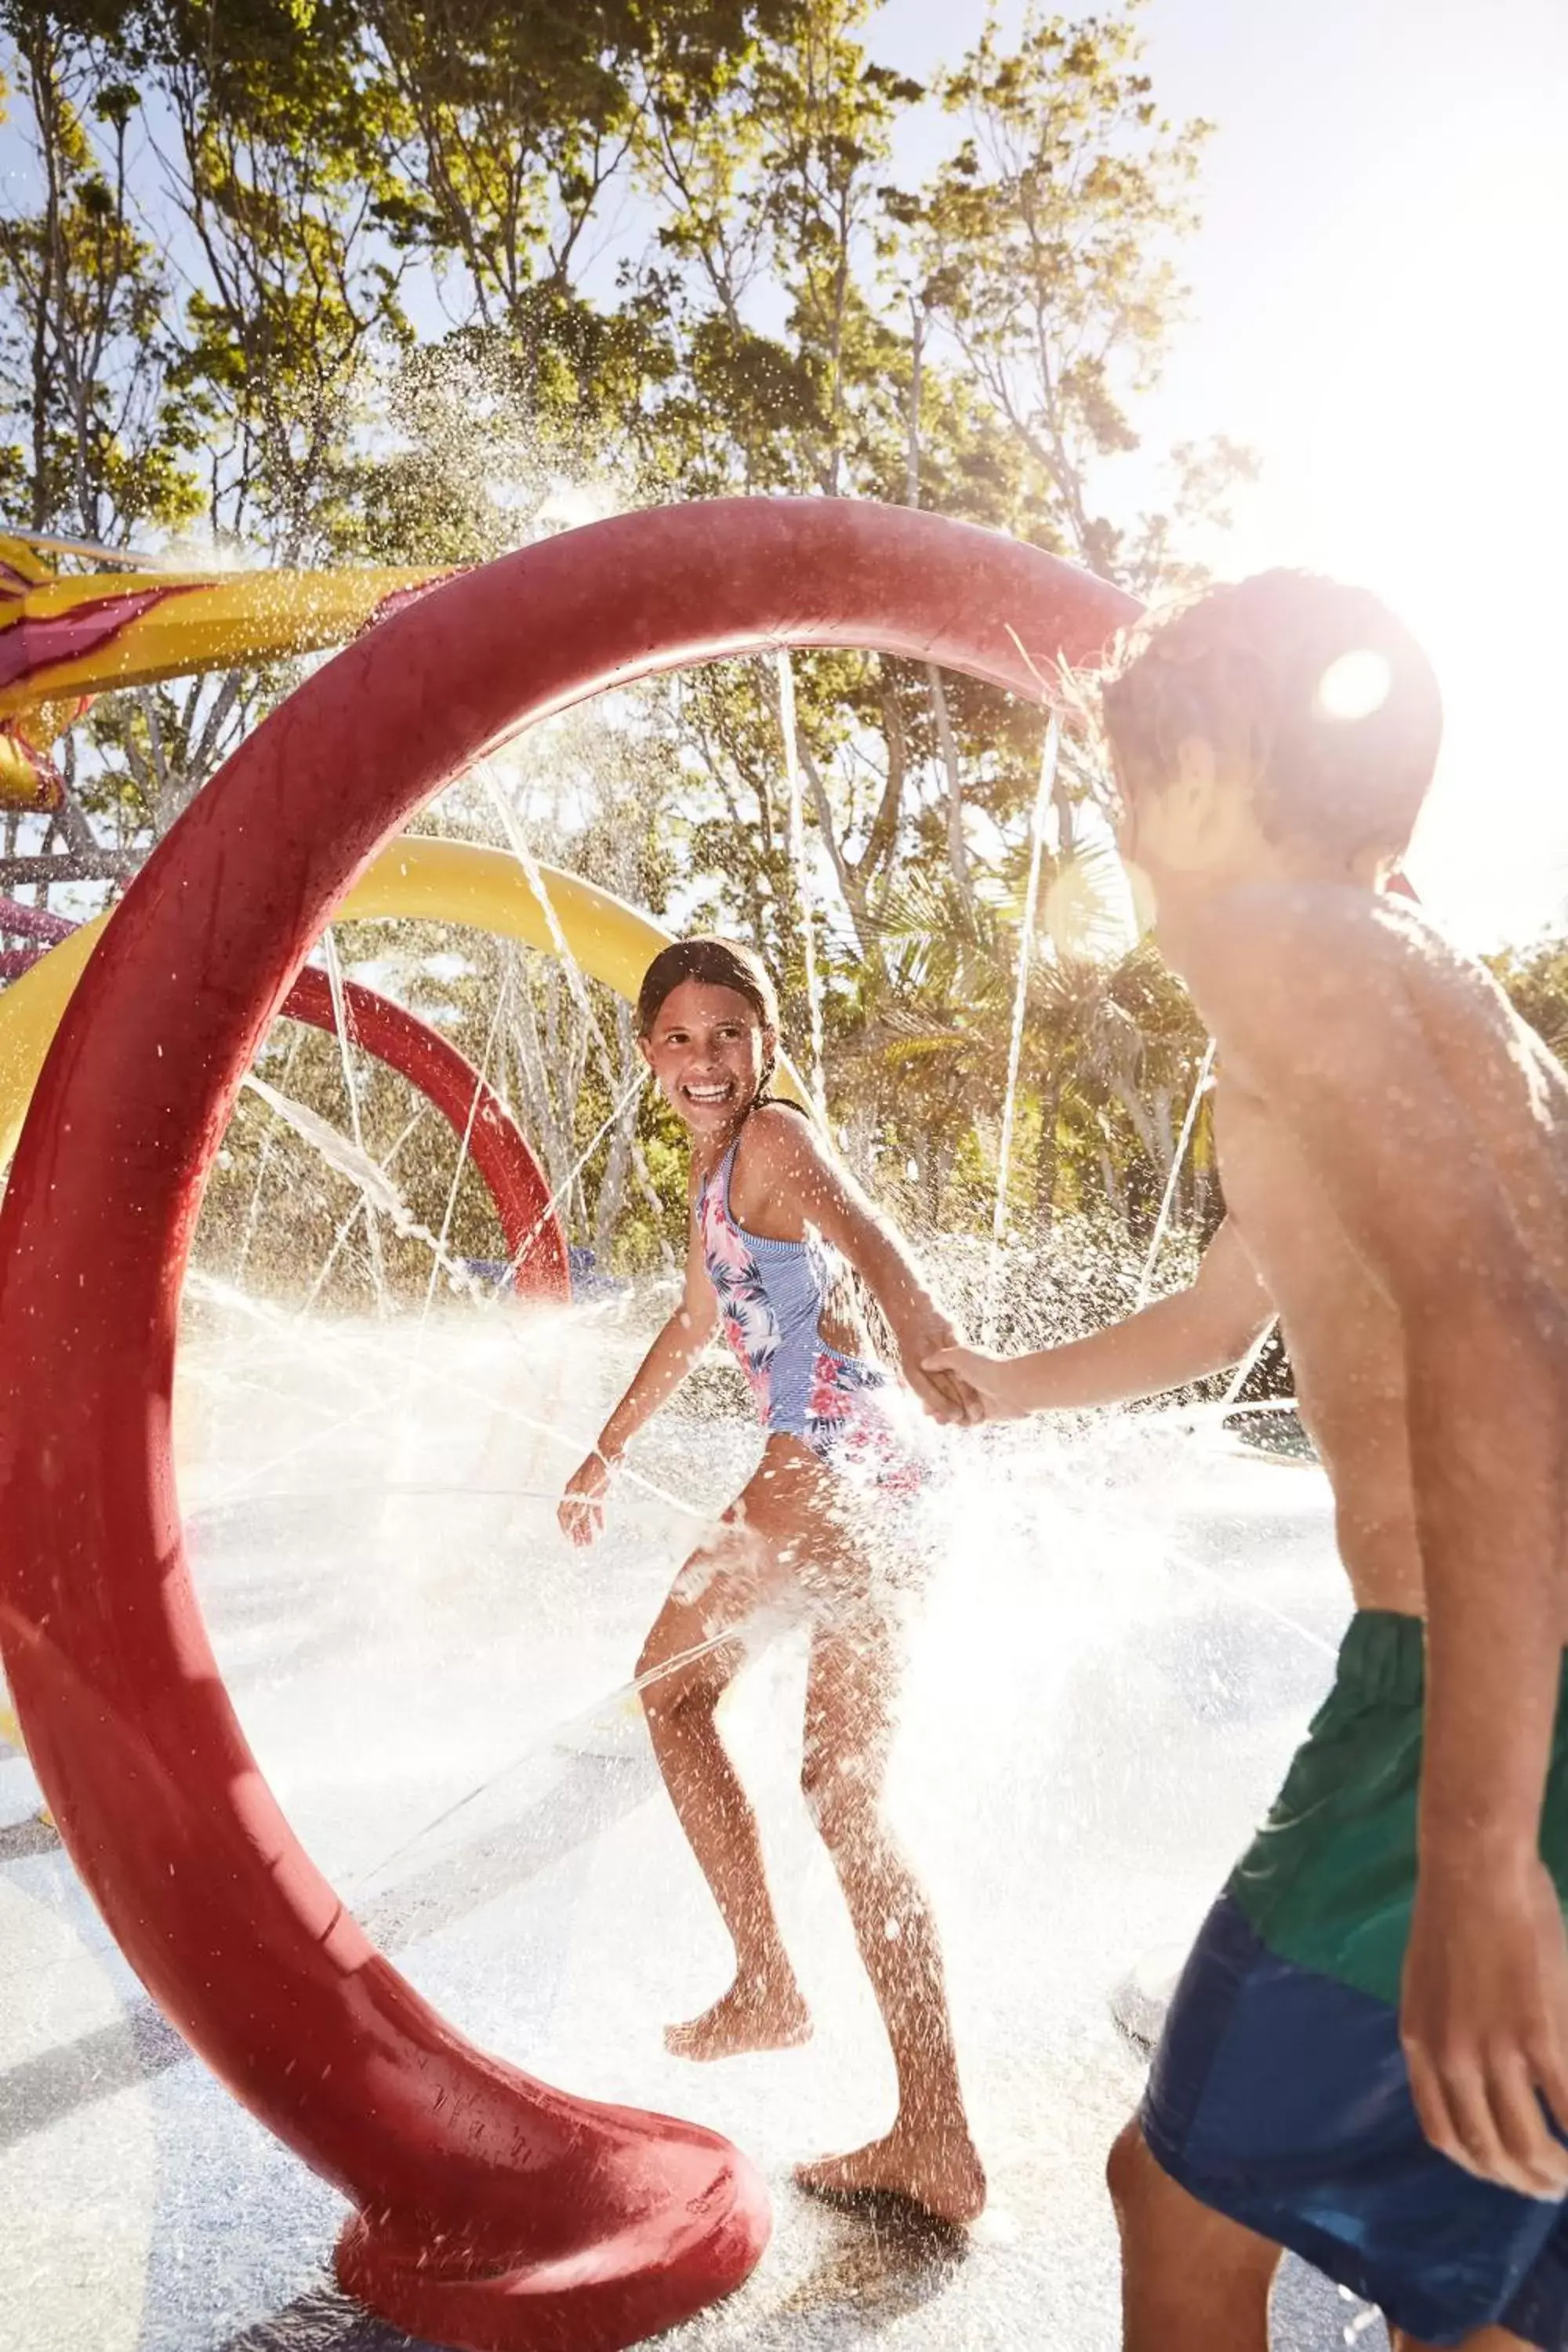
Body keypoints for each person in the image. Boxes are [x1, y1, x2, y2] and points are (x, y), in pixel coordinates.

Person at [928, 572, 1568, 2349]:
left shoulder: (1278, 943)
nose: (1121, 841)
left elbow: (1496, 1329)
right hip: (1502, 1679)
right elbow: (1230, 1311)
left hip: (1467, 1701)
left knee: (1185, 2192)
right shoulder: (1409, 981)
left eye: (1129, 784)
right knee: (1491, 2262)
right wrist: (1008, 1384)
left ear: (1201, 775)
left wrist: (1474, 1853)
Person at [559, 936, 986, 2225]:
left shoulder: (776, 1143)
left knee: (668, 1688)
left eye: (729, 1034)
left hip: (832, 1455)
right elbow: (696, 1325)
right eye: (680, 1039)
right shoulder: (713, 1183)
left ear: (767, 1045)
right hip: (891, 1480)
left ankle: (765, 1982)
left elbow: (869, 1230)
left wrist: (923, 1335)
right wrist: (605, 1447)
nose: (705, 1061)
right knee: (846, 1802)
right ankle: (938, 2138)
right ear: (646, 1053)